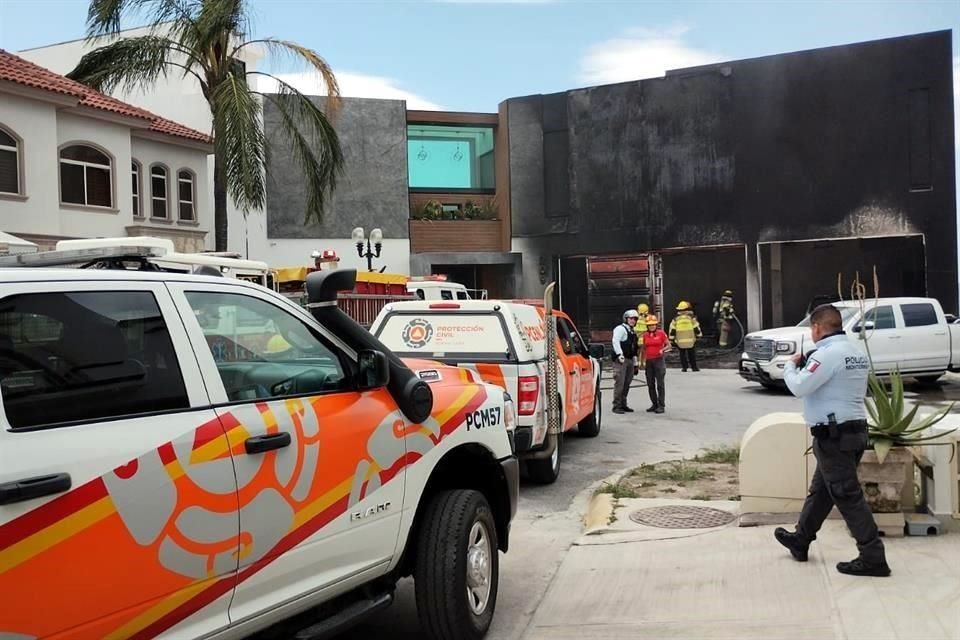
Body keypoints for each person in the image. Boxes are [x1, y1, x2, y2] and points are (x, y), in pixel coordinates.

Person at [774, 304, 890, 577]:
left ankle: (873, 557)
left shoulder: (827, 355)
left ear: (817, 328)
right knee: (823, 491)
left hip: (834, 436)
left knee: (847, 496)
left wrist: (791, 366)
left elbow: (800, 386)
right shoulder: (854, 352)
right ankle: (800, 540)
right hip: (853, 433)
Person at [611, 309, 640, 414]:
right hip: (621, 361)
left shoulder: (632, 332)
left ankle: (623, 404)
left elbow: (634, 348)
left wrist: (635, 363)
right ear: (626, 319)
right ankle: (616, 406)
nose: (633, 321)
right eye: (631, 318)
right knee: (620, 383)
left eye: (634, 319)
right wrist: (619, 354)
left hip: (630, 360)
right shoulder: (620, 329)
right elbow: (615, 341)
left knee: (627, 383)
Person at [640, 314, 669, 414]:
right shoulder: (645, 335)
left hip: (659, 361)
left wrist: (663, 350)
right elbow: (643, 348)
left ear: (656, 325)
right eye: (649, 325)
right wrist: (641, 361)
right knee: (650, 383)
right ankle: (654, 404)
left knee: (660, 384)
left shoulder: (661, 334)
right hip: (649, 362)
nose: (651, 326)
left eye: (653, 325)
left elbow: (669, 345)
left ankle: (661, 405)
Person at [669, 301, 702, 372]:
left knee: (682, 355)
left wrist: (671, 339)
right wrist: (699, 335)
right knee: (692, 354)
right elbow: (696, 327)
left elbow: (672, 330)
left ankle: (684, 368)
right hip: (690, 340)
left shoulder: (675, 319)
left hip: (680, 341)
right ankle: (694, 367)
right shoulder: (691, 318)